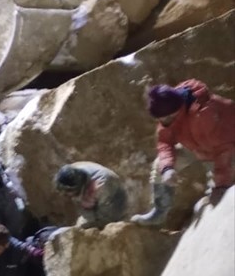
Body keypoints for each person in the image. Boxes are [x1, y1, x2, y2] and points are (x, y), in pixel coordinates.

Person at [132, 80, 235, 226]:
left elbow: (223, 149)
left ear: (175, 110)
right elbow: (165, 142)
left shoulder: (205, 113)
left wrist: (220, 185)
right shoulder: (168, 115)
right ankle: (159, 212)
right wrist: (167, 169)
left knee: (221, 193)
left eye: (165, 118)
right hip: (198, 146)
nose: (162, 122)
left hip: (228, 148)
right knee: (159, 165)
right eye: (160, 119)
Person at [54, 162, 127, 228]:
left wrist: (88, 209)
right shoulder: (74, 170)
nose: (65, 195)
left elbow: (101, 220)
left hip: (112, 204)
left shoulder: (101, 187)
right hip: (96, 197)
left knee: (85, 229)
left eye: (67, 192)